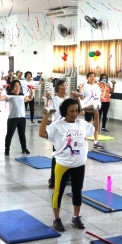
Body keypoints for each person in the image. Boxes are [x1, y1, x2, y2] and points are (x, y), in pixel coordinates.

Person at [39, 98, 94, 232]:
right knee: (58, 192)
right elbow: (42, 133)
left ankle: (76, 217)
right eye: (71, 111)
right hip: (63, 164)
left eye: (76, 111)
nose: (74, 114)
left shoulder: (81, 123)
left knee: (77, 191)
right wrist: (46, 115)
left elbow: (93, 130)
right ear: (65, 112)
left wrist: (96, 113)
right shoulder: (57, 126)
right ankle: (56, 219)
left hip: (79, 164)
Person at [45, 78, 74, 189]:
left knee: (69, 154)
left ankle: (68, 178)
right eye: (62, 85)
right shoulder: (54, 99)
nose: (64, 87)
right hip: (58, 131)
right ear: (58, 87)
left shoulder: (69, 99)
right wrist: (48, 99)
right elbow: (48, 109)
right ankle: (53, 179)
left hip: (69, 130)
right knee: (57, 156)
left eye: (65, 85)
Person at [1, 79, 34, 156]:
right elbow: (1, 98)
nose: (18, 88)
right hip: (12, 118)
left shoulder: (22, 95)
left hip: (22, 117)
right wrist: (1, 90)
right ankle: (7, 149)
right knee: (10, 134)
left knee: (22, 134)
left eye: (19, 86)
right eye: (16, 86)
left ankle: (24, 148)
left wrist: (31, 92)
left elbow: (29, 98)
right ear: (12, 87)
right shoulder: (8, 95)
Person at [74, 72, 103, 150]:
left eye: (94, 76)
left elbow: (100, 96)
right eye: (90, 76)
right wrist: (80, 88)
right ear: (87, 77)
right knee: (88, 124)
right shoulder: (84, 86)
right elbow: (82, 97)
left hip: (96, 107)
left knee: (96, 125)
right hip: (88, 107)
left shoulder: (97, 86)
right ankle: (84, 141)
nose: (92, 78)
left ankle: (96, 142)